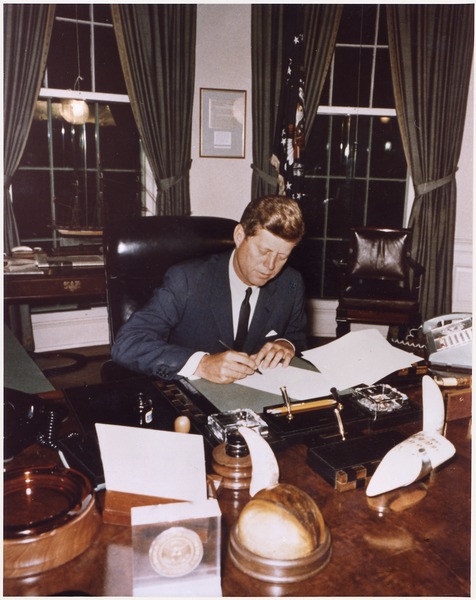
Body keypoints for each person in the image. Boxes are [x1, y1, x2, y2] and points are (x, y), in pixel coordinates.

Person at [111, 195, 307, 384]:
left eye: (282, 257)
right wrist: (202, 364)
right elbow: (127, 344)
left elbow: (296, 336)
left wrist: (285, 345)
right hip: (191, 397)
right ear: (239, 236)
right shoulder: (187, 279)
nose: (270, 266)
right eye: (264, 251)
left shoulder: (291, 283)